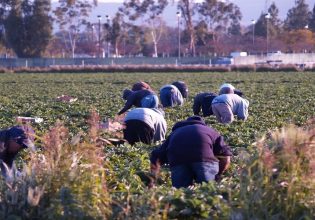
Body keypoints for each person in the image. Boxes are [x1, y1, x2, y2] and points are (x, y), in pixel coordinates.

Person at [150, 116, 232, 188]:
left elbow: (156, 156)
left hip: (178, 160)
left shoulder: (175, 133)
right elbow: (226, 157)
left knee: (181, 193)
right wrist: (218, 174)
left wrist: (153, 179)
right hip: (203, 158)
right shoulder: (210, 131)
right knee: (208, 190)